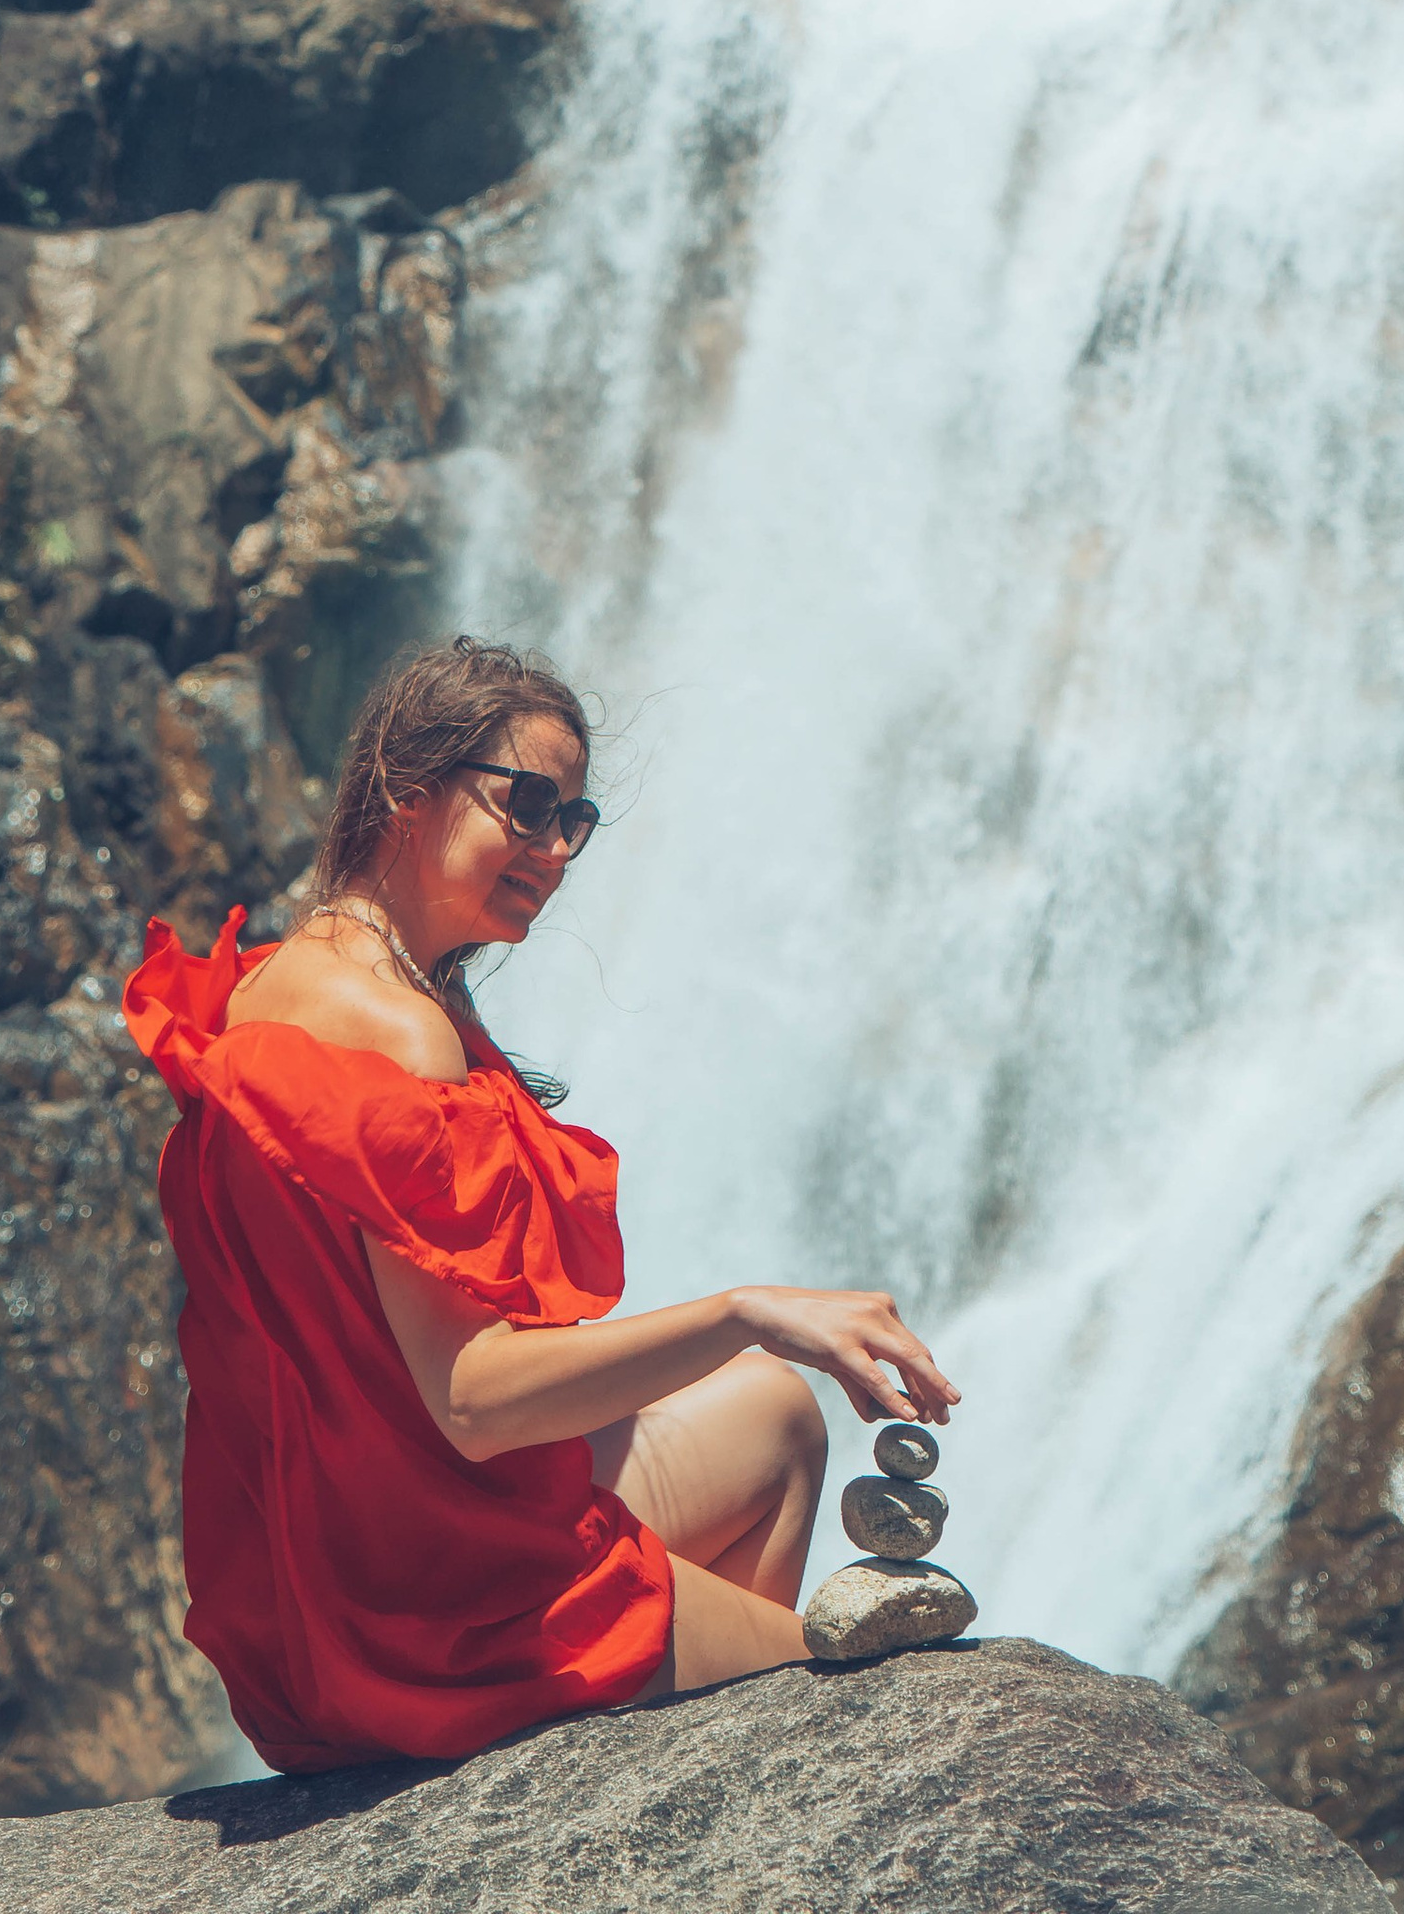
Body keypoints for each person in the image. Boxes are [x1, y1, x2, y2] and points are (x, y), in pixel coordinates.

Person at [123, 637, 958, 1771]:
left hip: (321, 1581)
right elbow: (471, 1401)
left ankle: (656, 1770)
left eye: (574, 821)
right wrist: (746, 1309)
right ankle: (680, 1772)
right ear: (404, 791)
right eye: (525, 805)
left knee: (774, 1415)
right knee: (836, 1723)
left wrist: (754, 1350)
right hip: (434, 1619)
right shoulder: (400, 1034)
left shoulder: (285, 980)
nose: (553, 850)